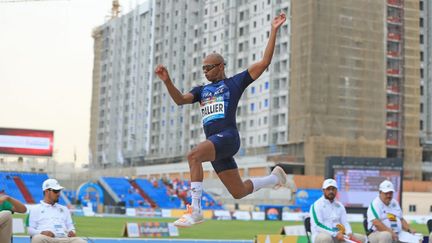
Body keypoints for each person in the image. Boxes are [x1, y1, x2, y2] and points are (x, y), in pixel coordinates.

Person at [155, 12, 287, 227]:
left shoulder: (234, 83)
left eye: (209, 67)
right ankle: (274, 179)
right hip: (216, 146)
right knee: (239, 191)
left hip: (228, 138)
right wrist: (167, 81)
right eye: (203, 68)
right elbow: (179, 100)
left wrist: (273, 30)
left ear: (221, 66)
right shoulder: (201, 91)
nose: (205, 71)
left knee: (193, 155)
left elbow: (264, 62)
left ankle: (195, 210)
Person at [27, 179, 86, 243]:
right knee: (37, 238)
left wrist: (72, 231)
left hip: (64, 238)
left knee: (81, 241)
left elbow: (70, 226)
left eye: (59, 191)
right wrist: (42, 232)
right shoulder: (35, 209)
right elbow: (30, 230)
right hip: (47, 238)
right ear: (47, 191)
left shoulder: (64, 209)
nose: (58, 194)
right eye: (56, 191)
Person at [309, 179, 366, 243]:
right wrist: (335, 234)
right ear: (323, 190)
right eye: (328, 189)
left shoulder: (340, 205)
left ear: (336, 190)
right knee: (326, 239)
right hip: (321, 235)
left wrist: (349, 233)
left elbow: (345, 222)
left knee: (362, 239)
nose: (331, 191)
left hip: (339, 235)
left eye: (333, 189)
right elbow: (318, 225)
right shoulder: (316, 205)